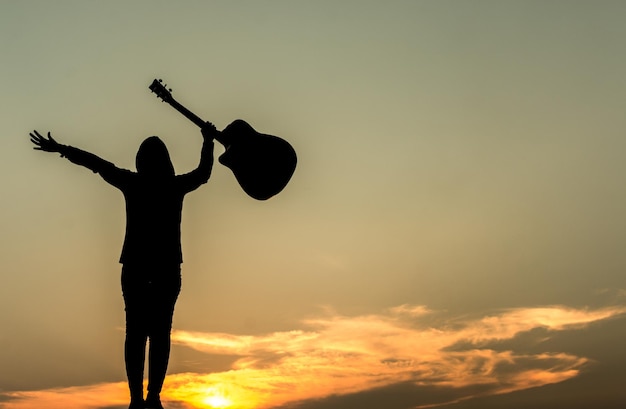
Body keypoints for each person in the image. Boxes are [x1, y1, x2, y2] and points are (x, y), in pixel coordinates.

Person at [29, 124, 216, 409]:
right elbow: (203, 173)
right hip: (165, 268)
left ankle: (137, 400)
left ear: (141, 161)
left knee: (136, 333)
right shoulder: (173, 186)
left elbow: (95, 163)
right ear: (167, 162)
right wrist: (207, 141)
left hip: (137, 267)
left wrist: (62, 150)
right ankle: (152, 399)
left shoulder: (133, 183)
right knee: (160, 333)